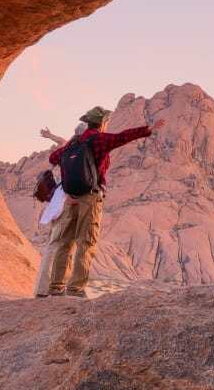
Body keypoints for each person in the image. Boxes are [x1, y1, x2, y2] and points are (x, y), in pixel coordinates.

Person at [35, 106, 161, 298]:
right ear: (102, 123)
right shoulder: (99, 139)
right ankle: (76, 289)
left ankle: (56, 286)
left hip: (71, 199)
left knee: (65, 243)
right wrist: (147, 129)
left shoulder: (75, 142)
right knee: (86, 242)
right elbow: (121, 137)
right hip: (90, 197)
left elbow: (54, 157)